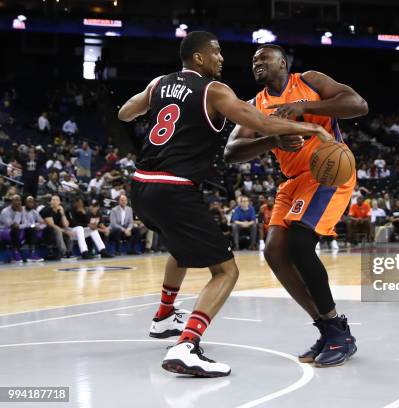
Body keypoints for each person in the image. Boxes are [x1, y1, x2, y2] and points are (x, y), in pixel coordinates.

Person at [118, 31, 331, 377]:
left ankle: (163, 317)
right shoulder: (215, 90)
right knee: (226, 271)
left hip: (142, 185)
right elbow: (260, 121)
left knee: (180, 248)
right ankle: (187, 344)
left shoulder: (158, 83)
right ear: (199, 58)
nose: (221, 58)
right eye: (216, 52)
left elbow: (126, 113)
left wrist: (161, 109)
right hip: (174, 188)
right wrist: (311, 130)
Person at [224, 43, 368, 367]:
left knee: (301, 242)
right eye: (253, 60)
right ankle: (330, 329)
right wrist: (272, 140)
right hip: (293, 181)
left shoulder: (310, 80)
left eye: (264, 57)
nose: (257, 62)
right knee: (275, 252)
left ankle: (336, 329)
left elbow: (358, 104)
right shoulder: (255, 105)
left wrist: (301, 107)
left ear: (283, 63)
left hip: (327, 170)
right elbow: (232, 150)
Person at [39, 195, 75, 259]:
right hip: (45, 230)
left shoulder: (60, 210)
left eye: (56, 200)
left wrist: (62, 214)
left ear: (59, 202)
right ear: (50, 201)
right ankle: (63, 251)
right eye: (52, 200)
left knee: (69, 230)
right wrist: (65, 231)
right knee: (58, 231)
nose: (54, 201)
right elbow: (51, 224)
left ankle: (69, 252)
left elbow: (66, 225)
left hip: (55, 229)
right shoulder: (46, 210)